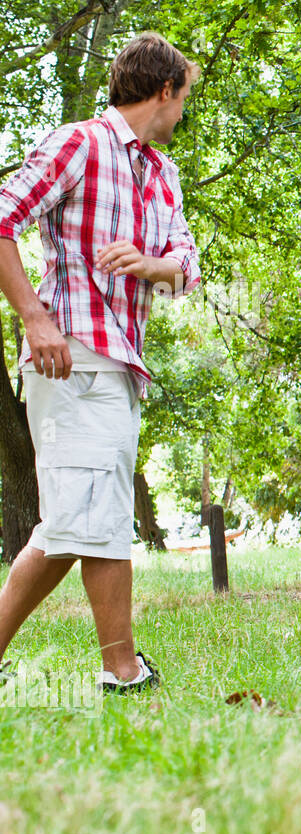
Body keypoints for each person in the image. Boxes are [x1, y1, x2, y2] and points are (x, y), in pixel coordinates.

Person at [0, 33, 201, 692]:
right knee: (95, 515)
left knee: (72, 522)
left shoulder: (162, 174)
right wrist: (34, 316)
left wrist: (151, 265)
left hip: (120, 363)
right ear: (164, 91)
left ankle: (119, 666)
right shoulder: (79, 144)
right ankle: (122, 670)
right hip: (68, 358)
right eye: (183, 100)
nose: (182, 115)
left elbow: (186, 268)